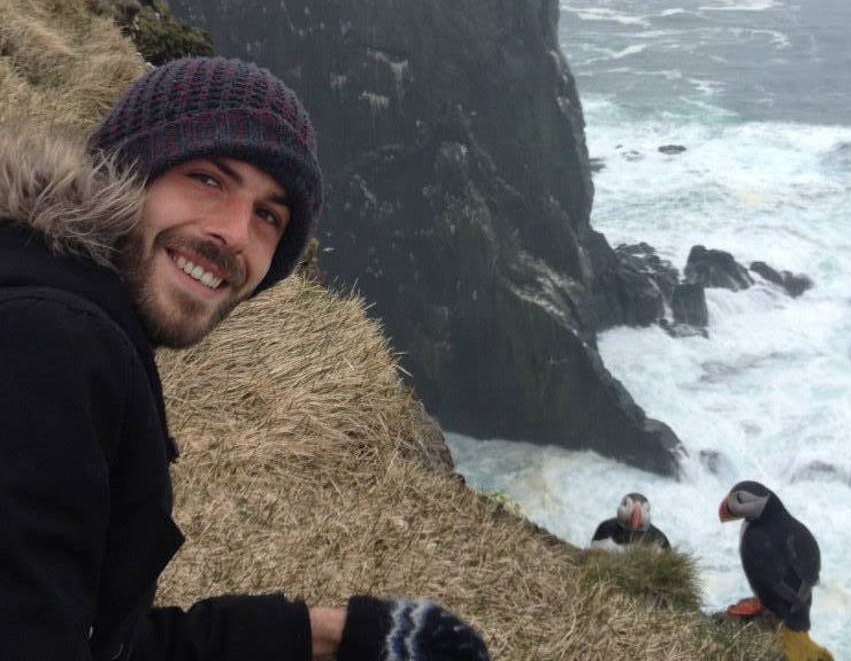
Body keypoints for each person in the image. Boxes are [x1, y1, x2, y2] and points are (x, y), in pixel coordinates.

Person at [0, 56, 490, 661]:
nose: (235, 233)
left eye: (268, 216)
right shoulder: (54, 345)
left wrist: (327, 638)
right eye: (207, 178)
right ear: (123, 170)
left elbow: (92, 641)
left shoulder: (50, 301)